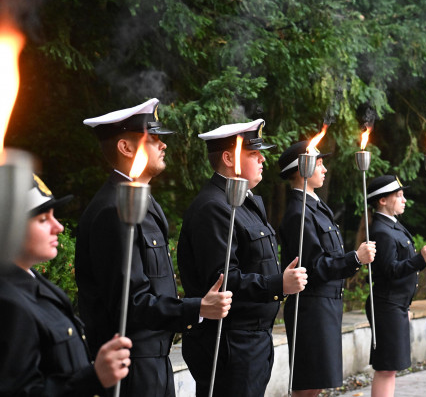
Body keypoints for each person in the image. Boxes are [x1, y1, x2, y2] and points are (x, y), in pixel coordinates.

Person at [75, 99, 232, 397]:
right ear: (126, 148)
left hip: (152, 361)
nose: (163, 146)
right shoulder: (114, 210)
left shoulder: (142, 203)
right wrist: (197, 308)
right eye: (154, 138)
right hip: (131, 369)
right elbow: (131, 303)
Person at [177, 119, 308, 396]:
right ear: (228, 157)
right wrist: (278, 285)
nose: (262, 158)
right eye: (253, 153)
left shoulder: (246, 201)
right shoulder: (213, 207)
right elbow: (223, 281)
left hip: (252, 340)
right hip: (230, 343)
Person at [0, 174, 132, 396]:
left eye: (54, 216)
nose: (58, 227)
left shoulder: (31, 280)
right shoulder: (8, 303)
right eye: (43, 219)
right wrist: (94, 377)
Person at [277, 141, 376, 397]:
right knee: (308, 386)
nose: (324, 169)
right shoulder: (299, 212)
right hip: (311, 309)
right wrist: (355, 258)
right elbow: (315, 267)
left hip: (326, 307)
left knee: (316, 383)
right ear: (302, 169)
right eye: (318, 163)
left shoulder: (316, 206)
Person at [365, 174, 426, 397]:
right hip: (387, 304)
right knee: (386, 367)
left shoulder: (392, 226)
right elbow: (390, 270)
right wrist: (420, 259)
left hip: (396, 303)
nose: (404, 199)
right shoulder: (381, 231)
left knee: (391, 367)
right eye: (399, 195)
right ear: (382, 200)